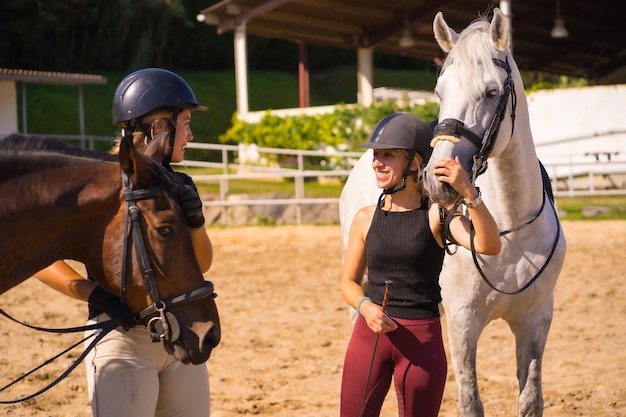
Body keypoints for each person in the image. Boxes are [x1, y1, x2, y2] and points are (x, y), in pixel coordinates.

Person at [36, 68, 213, 417]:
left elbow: (202, 263)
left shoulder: (181, 184)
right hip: (120, 341)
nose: (191, 135)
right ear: (160, 126)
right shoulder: (96, 185)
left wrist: (195, 220)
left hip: (179, 334)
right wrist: (94, 294)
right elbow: (41, 258)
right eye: (186, 122)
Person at [339, 113, 501, 417]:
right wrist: (365, 306)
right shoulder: (364, 219)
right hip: (369, 335)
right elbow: (347, 282)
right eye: (376, 154)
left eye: (388, 155)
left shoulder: (438, 215)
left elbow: (490, 245)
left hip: (420, 342)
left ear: (414, 163)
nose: (377, 162)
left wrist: (469, 193)